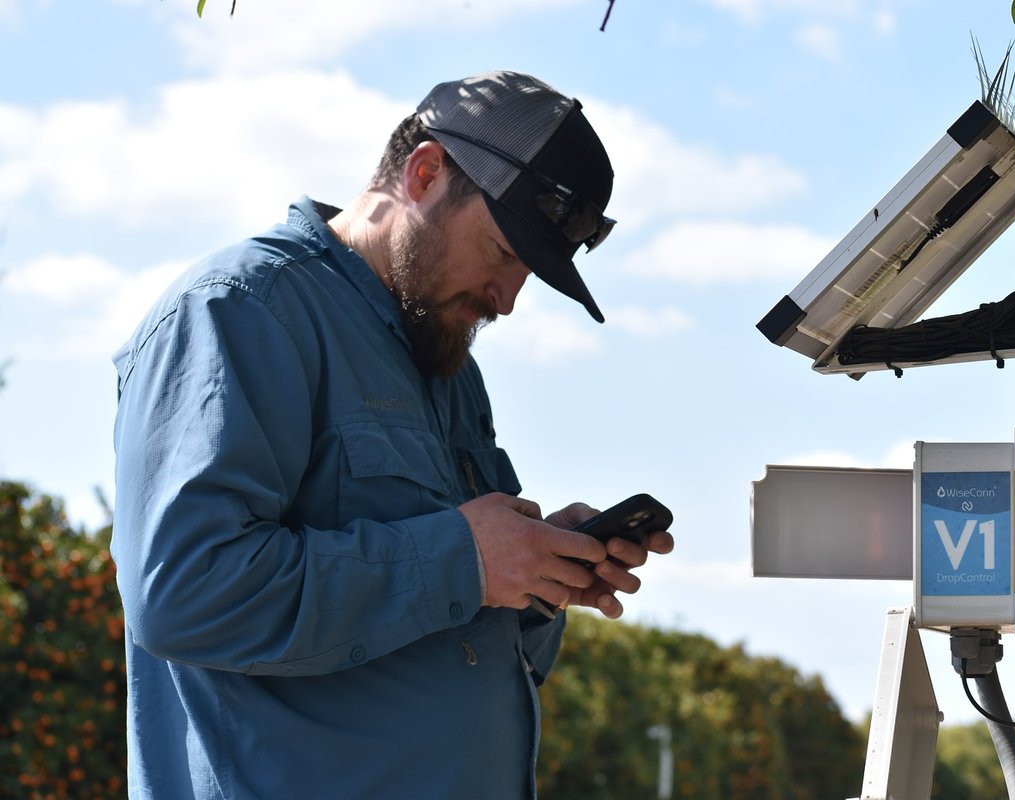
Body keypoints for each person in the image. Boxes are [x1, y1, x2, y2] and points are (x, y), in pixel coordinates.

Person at [111, 70, 674, 799]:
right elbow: (183, 593)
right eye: (506, 254)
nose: (506, 301)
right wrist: (462, 560)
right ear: (425, 172)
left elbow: (442, 629)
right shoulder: (240, 309)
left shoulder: (446, 359)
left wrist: (534, 577)